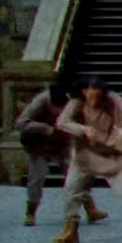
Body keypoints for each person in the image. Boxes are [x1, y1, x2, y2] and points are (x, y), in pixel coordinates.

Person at [50, 76, 122, 243]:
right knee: (71, 191)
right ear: (84, 92)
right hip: (84, 156)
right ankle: (70, 230)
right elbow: (62, 122)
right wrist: (83, 129)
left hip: (111, 155)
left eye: (97, 97)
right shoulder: (76, 102)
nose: (94, 101)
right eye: (90, 97)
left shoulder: (113, 100)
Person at [12, 82, 110, 227]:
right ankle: (30, 212)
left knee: (77, 175)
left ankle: (91, 209)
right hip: (39, 144)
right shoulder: (41, 100)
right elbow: (19, 123)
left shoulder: (75, 102)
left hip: (62, 143)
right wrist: (44, 129)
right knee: (36, 177)